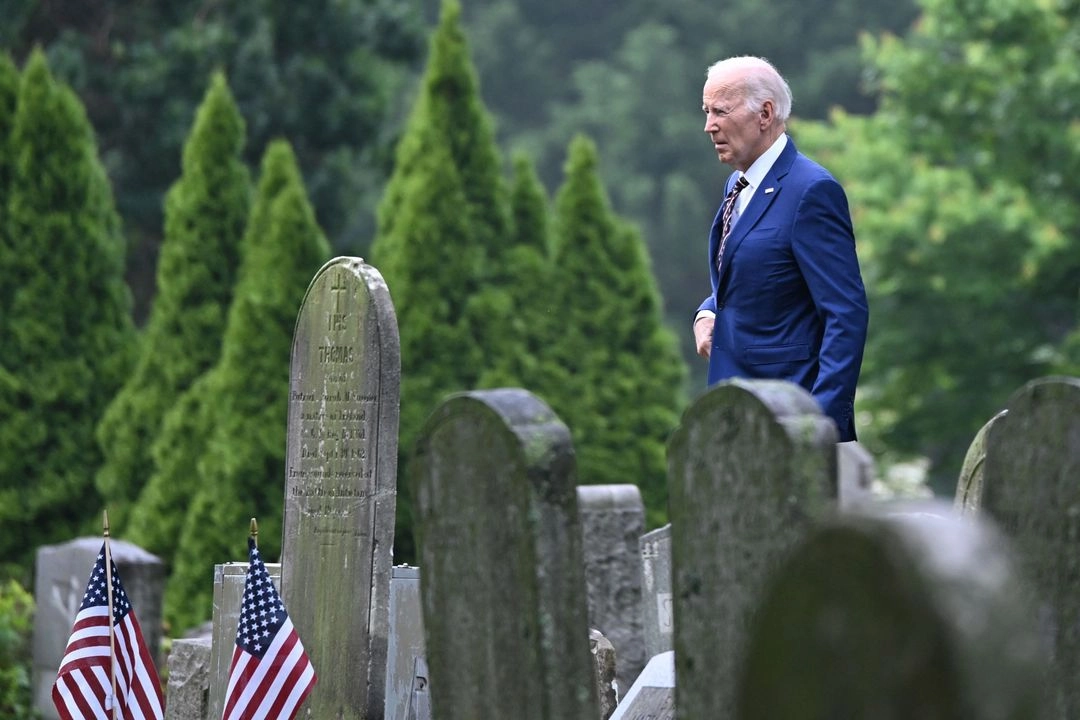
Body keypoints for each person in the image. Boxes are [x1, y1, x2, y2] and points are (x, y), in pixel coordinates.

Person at [693, 56, 868, 441]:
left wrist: (819, 426)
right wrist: (708, 312)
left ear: (765, 113)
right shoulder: (736, 187)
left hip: (790, 429)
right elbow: (754, 276)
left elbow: (846, 313)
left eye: (721, 111)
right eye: (706, 111)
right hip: (735, 419)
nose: (709, 126)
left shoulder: (811, 191)